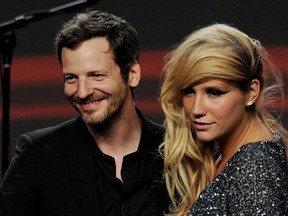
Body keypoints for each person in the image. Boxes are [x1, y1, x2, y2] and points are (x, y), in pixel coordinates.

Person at [0, 10, 169, 216]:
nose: (82, 92)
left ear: (132, 74)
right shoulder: (38, 154)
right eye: (71, 78)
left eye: (96, 76)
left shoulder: (176, 152)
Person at [160, 23, 288, 215]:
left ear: (252, 92)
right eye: (189, 92)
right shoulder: (234, 155)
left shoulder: (252, 172)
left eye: (214, 92)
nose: (196, 109)